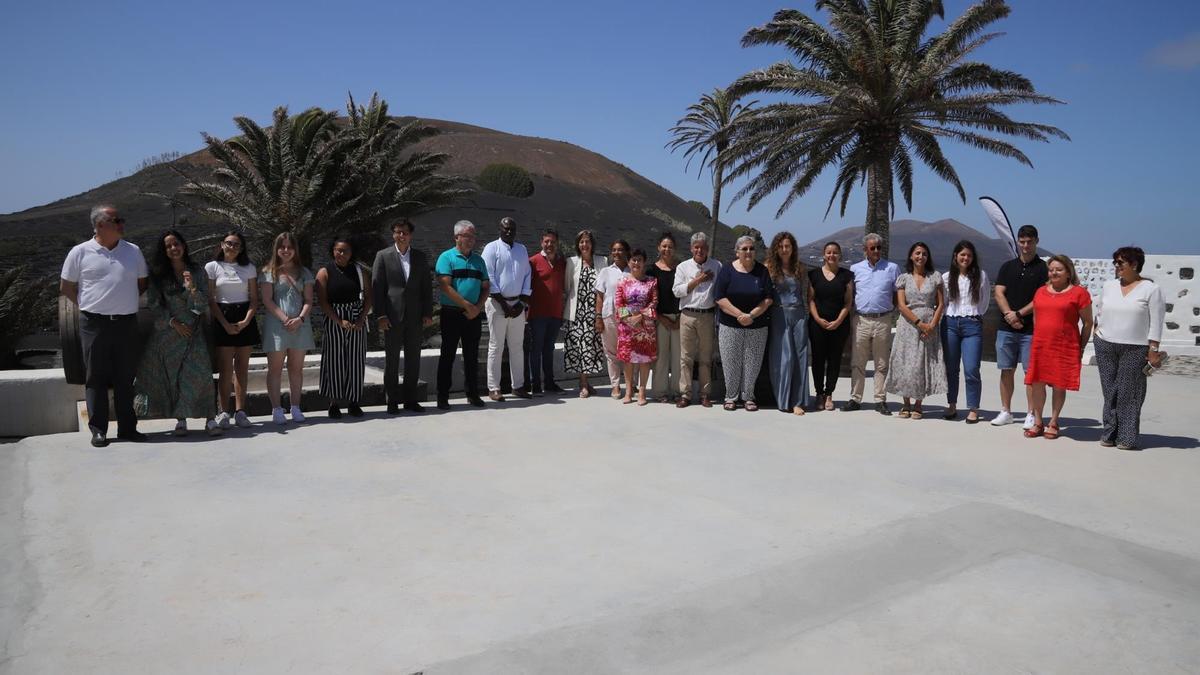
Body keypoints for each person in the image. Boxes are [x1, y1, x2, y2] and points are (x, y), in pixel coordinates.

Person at [59, 205, 149, 447]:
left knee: (125, 377)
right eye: (115, 220)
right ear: (99, 225)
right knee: (96, 377)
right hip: (94, 323)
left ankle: (128, 429)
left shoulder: (133, 251)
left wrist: (121, 302)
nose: (121, 224)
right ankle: (98, 430)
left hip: (127, 323)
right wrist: (87, 305)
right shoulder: (80, 252)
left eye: (122, 219)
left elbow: (142, 284)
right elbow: (66, 287)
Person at [133, 230, 219, 435]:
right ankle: (180, 420)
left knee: (201, 375)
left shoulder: (197, 271)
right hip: (169, 334)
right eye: (168, 246)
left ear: (184, 245)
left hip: (193, 332)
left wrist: (192, 290)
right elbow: (154, 304)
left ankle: (210, 419)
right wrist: (173, 323)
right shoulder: (158, 275)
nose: (173, 248)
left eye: (176, 244)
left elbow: (201, 305)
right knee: (173, 377)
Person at [1093, 247, 1164, 450]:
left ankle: (1127, 437)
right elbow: (1101, 309)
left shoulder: (1150, 289)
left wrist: (1153, 348)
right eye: (1115, 262)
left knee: (1129, 392)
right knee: (1110, 391)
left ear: (1134, 265)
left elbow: (1156, 322)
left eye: (1120, 263)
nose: (1116, 266)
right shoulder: (1109, 286)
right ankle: (1109, 432)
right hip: (1105, 343)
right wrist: (1097, 330)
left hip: (1135, 347)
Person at [1024, 255, 1093, 439]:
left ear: (1068, 272)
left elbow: (1088, 323)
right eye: (1051, 269)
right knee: (1036, 383)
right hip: (1041, 345)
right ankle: (1038, 422)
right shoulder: (1040, 292)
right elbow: (1036, 316)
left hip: (1065, 346)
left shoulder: (1079, 293)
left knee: (1058, 385)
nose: (1054, 272)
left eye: (1059, 269)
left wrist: (1081, 347)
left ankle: (1053, 421)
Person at [372, 218, 434, 413]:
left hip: (415, 317)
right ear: (393, 234)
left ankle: (410, 399)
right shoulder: (383, 256)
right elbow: (377, 287)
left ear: (410, 235)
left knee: (413, 359)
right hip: (392, 316)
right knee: (391, 360)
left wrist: (427, 312)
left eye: (405, 232)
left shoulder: (420, 257)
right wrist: (380, 315)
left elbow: (426, 287)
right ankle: (391, 400)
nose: (401, 235)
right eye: (398, 232)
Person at [991, 224, 1048, 428]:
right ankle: (1006, 411)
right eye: (1022, 241)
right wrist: (1009, 315)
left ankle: (1031, 413)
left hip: (1031, 329)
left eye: (1029, 242)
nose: (1025, 245)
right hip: (1006, 328)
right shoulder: (1008, 266)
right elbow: (999, 292)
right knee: (1006, 370)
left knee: (1030, 373)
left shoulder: (1043, 269)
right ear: (1017, 241)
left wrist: (1019, 314)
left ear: (1036, 242)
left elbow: (1041, 297)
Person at [886, 242, 946, 419]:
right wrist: (920, 323)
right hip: (908, 325)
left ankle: (919, 404)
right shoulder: (903, 278)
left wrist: (932, 325)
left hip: (929, 324)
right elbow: (902, 305)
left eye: (924, 254)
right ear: (911, 256)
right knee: (906, 363)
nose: (921, 256)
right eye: (918, 253)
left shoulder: (935, 277)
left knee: (921, 364)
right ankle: (906, 404)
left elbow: (941, 303)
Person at [260, 232, 315, 424]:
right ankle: (276, 409)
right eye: (282, 247)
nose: (286, 250)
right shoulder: (269, 272)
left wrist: (299, 318)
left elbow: (309, 300)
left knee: (296, 369)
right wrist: (285, 319)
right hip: (277, 326)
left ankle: (295, 407)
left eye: (289, 247)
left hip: (300, 325)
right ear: (276, 249)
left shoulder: (305, 272)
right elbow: (267, 300)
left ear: (295, 250)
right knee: (274, 369)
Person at [205, 230, 258, 429]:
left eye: (236, 244)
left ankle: (241, 412)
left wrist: (245, 321)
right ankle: (223, 412)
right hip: (222, 317)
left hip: (245, 317)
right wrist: (225, 324)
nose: (232, 247)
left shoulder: (249, 268)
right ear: (221, 244)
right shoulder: (212, 267)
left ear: (242, 248)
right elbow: (211, 299)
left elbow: (254, 299)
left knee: (242, 368)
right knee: (225, 369)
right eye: (229, 243)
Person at [714, 235, 775, 411]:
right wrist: (740, 314)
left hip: (757, 325)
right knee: (730, 361)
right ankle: (731, 397)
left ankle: (748, 397)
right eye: (745, 249)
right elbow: (719, 297)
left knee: (752, 362)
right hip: (730, 325)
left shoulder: (762, 271)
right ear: (737, 252)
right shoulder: (727, 270)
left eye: (751, 248)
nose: (748, 252)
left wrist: (752, 316)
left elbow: (768, 298)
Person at [316, 234, 372, 419]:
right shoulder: (324, 272)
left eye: (345, 250)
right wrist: (339, 321)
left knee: (356, 361)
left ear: (351, 253)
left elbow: (369, 298)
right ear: (332, 251)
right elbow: (323, 302)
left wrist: (361, 319)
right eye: (337, 250)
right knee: (334, 361)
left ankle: (354, 402)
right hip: (334, 319)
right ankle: (334, 403)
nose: (341, 253)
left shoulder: (360, 271)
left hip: (357, 318)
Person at [435, 220, 489, 410]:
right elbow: (445, 286)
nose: (471, 240)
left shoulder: (479, 261)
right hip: (452, 313)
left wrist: (478, 307)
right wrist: (467, 305)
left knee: (472, 355)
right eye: (467, 236)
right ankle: (442, 396)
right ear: (457, 237)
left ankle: (473, 394)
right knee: (447, 355)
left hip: (473, 315)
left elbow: (486, 287)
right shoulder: (446, 257)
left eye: (473, 236)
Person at [846, 233, 900, 415]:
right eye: (872, 248)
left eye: (879, 247)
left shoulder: (892, 268)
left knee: (881, 363)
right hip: (861, 320)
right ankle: (855, 398)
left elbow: (896, 294)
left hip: (883, 319)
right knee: (858, 362)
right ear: (865, 250)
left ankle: (880, 399)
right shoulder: (855, 269)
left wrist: (890, 311)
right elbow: (850, 295)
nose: (876, 250)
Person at [481, 216, 532, 401]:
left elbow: (527, 275)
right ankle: (494, 388)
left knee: (517, 347)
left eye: (512, 229)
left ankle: (518, 386)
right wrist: (504, 305)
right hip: (497, 304)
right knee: (496, 346)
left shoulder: (522, 249)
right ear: (500, 229)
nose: (509, 231)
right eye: (505, 228)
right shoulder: (491, 248)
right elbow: (489, 277)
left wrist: (522, 303)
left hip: (518, 304)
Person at [940, 240, 990, 423]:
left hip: (972, 325)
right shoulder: (946, 278)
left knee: (971, 368)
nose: (965, 258)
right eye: (962, 255)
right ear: (955, 256)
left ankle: (973, 407)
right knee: (951, 369)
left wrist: (974, 315)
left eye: (969, 255)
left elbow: (984, 301)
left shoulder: (981, 276)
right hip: (950, 324)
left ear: (973, 257)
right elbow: (943, 303)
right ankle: (951, 404)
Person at [673, 232, 721, 408]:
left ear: (707, 248)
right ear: (691, 248)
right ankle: (685, 394)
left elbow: (720, 290)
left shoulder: (717, 266)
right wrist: (697, 280)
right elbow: (677, 291)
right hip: (688, 315)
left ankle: (705, 394)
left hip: (707, 316)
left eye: (703, 247)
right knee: (686, 357)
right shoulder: (683, 267)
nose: (699, 250)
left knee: (705, 358)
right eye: (696, 247)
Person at [766, 232, 811, 415]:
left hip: (799, 314)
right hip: (779, 314)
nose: (785, 250)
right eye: (781, 246)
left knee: (801, 357)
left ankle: (797, 401)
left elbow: (806, 294)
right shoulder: (768, 268)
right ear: (776, 249)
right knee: (784, 358)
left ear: (793, 248)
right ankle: (783, 399)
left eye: (788, 246)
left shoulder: (800, 268)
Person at [807, 242, 853, 411]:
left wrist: (838, 321)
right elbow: (810, 299)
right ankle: (819, 393)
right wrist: (818, 319)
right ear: (823, 255)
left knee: (835, 360)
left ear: (840, 255)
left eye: (835, 252)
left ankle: (829, 394)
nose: (831, 255)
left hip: (839, 325)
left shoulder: (846, 275)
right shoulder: (814, 275)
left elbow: (848, 303)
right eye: (828, 252)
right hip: (817, 324)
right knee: (818, 360)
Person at [562, 230, 607, 398]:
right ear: (577, 245)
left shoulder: (602, 261)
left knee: (591, 349)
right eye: (581, 242)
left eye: (587, 241)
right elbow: (567, 287)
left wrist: (599, 315)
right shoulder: (571, 262)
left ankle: (585, 381)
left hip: (594, 313)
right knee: (578, 348)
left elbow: (604, 288)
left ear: (592, 244)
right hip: (576, 313)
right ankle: (583, 383)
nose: (584, 245)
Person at [615, 248, 658, 405]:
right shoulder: (622, 282)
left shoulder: (651, 281)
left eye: (639, 260)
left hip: (645, 326)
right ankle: (628, 391)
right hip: (626, 327)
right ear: (628, 262)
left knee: (644, 359)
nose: (636, 263)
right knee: (628, 359)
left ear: (644, 262)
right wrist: (628, 319)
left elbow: (654, 302)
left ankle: (642, 392)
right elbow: (619, 303)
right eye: (633, 259)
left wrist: (640, 316)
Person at [526, 228, 566, 395]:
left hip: (555, 314)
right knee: (536, 349)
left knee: (548, 349)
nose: (549, 244)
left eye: (552, 242)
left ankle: (549, 383)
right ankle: (535, 384)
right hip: (538, 313)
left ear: (557, 244)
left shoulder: (562, 262)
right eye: (546, 241)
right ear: (542, 243)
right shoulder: (533, 261)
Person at [593, 240, 631, 399]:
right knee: (611, 352)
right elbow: (600, 296)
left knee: (629, 352)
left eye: (620, 250)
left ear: (627, 252)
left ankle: (631, 385)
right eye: (614, 250)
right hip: (609, 314)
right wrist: (598, 317)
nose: (617, 253)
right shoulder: (606, 272)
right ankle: (615, 386)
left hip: (627, 316)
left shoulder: (632, 270)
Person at [648, 232, 681, 403]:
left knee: (678, 358)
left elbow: (685, 295)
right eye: (664, 246)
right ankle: (660, 392)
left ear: (674, 249)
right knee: (660, 358)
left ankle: (677, 391)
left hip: (678, 320)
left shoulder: (681, 269)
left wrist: (679, 318)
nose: (667, 249)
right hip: (659, 319)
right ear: (659, 247)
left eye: (670, 246)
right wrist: (661, 318)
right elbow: (647, 298)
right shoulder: (651, 270)